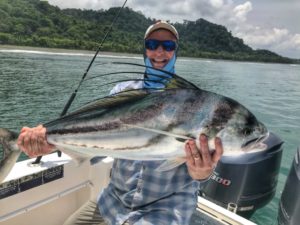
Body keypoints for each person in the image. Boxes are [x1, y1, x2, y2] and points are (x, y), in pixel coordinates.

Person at [18, 21, 223, 225]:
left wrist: (202, 173)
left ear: (176, 51)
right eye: (152, 45)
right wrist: (51, 142)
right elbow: (100, 145)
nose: (159, 52)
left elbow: (203, 170)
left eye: (168, 46)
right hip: (113, 201)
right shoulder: (122, 92)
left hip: (166, 209)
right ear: (145, 49)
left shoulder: (196, 103)